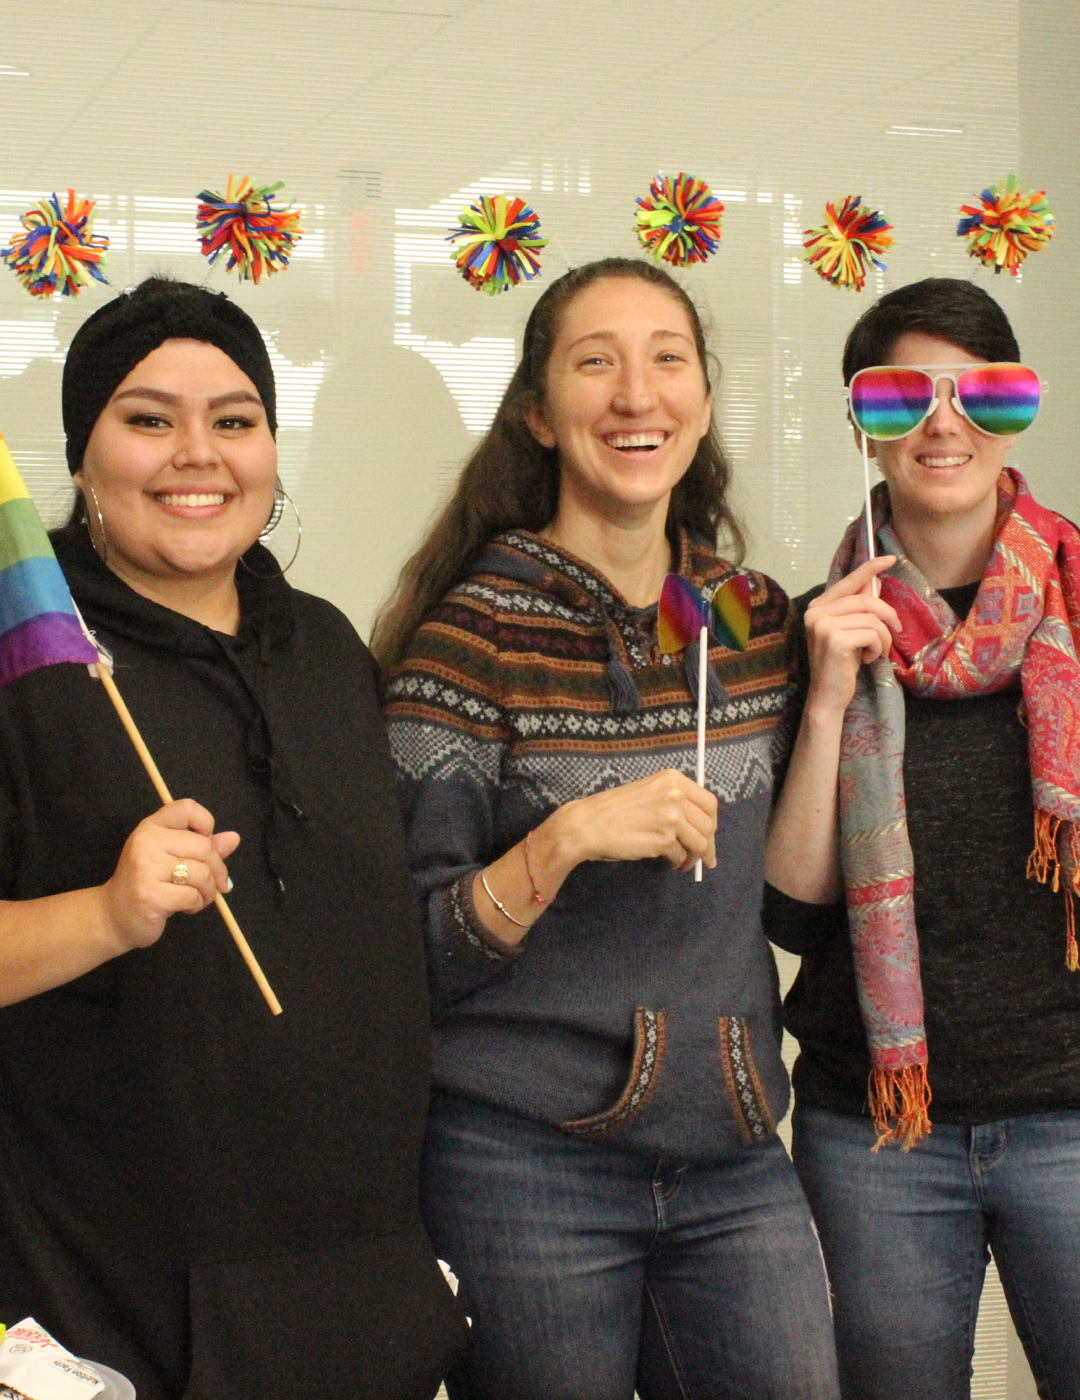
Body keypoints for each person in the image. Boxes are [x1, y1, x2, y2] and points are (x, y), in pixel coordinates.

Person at [373, 256, 839, 1400]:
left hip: (734, 1153)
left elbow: (792, 896)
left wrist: (829, 697)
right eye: (597, 362)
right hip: (520, 1160)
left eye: (667, 359)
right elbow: (410, 954)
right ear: (537, 411)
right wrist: (563, 839)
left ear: (705, 400)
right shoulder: (466, 641)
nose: (638, 393)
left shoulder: (747, 617)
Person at [0, 278, 466, 1400]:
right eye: (147, 418)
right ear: (81, 455)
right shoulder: (28, 662)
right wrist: (109, 912)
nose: (196, 454)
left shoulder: (326, 646)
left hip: (354, 1284)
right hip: (107, 1292)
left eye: (236, 419)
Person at [765, 277, 1080, 1399]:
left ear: (1014, 409)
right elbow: (793, 907)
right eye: (904, 396)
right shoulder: (821, 622)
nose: (943, 424)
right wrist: (822, 697)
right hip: (878, 1134)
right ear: (863, 426)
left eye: (977, 391)